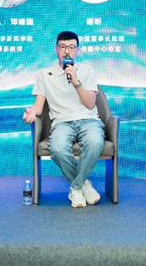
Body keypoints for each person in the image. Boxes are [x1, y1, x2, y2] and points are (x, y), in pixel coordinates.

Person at [23, 31, 105, 208]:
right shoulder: (45, 74)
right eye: (63, 47)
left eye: (71, 47)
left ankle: (75, 188)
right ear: (56, 49)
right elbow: (39, 105)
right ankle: (83, 185)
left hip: (88, 120)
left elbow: (90, 103)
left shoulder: (87, 71)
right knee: (57, 148)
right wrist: (32, 112)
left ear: (77, 50)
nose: (67, 51)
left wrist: (76, 82)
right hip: (62, 122)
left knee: (95, 142)